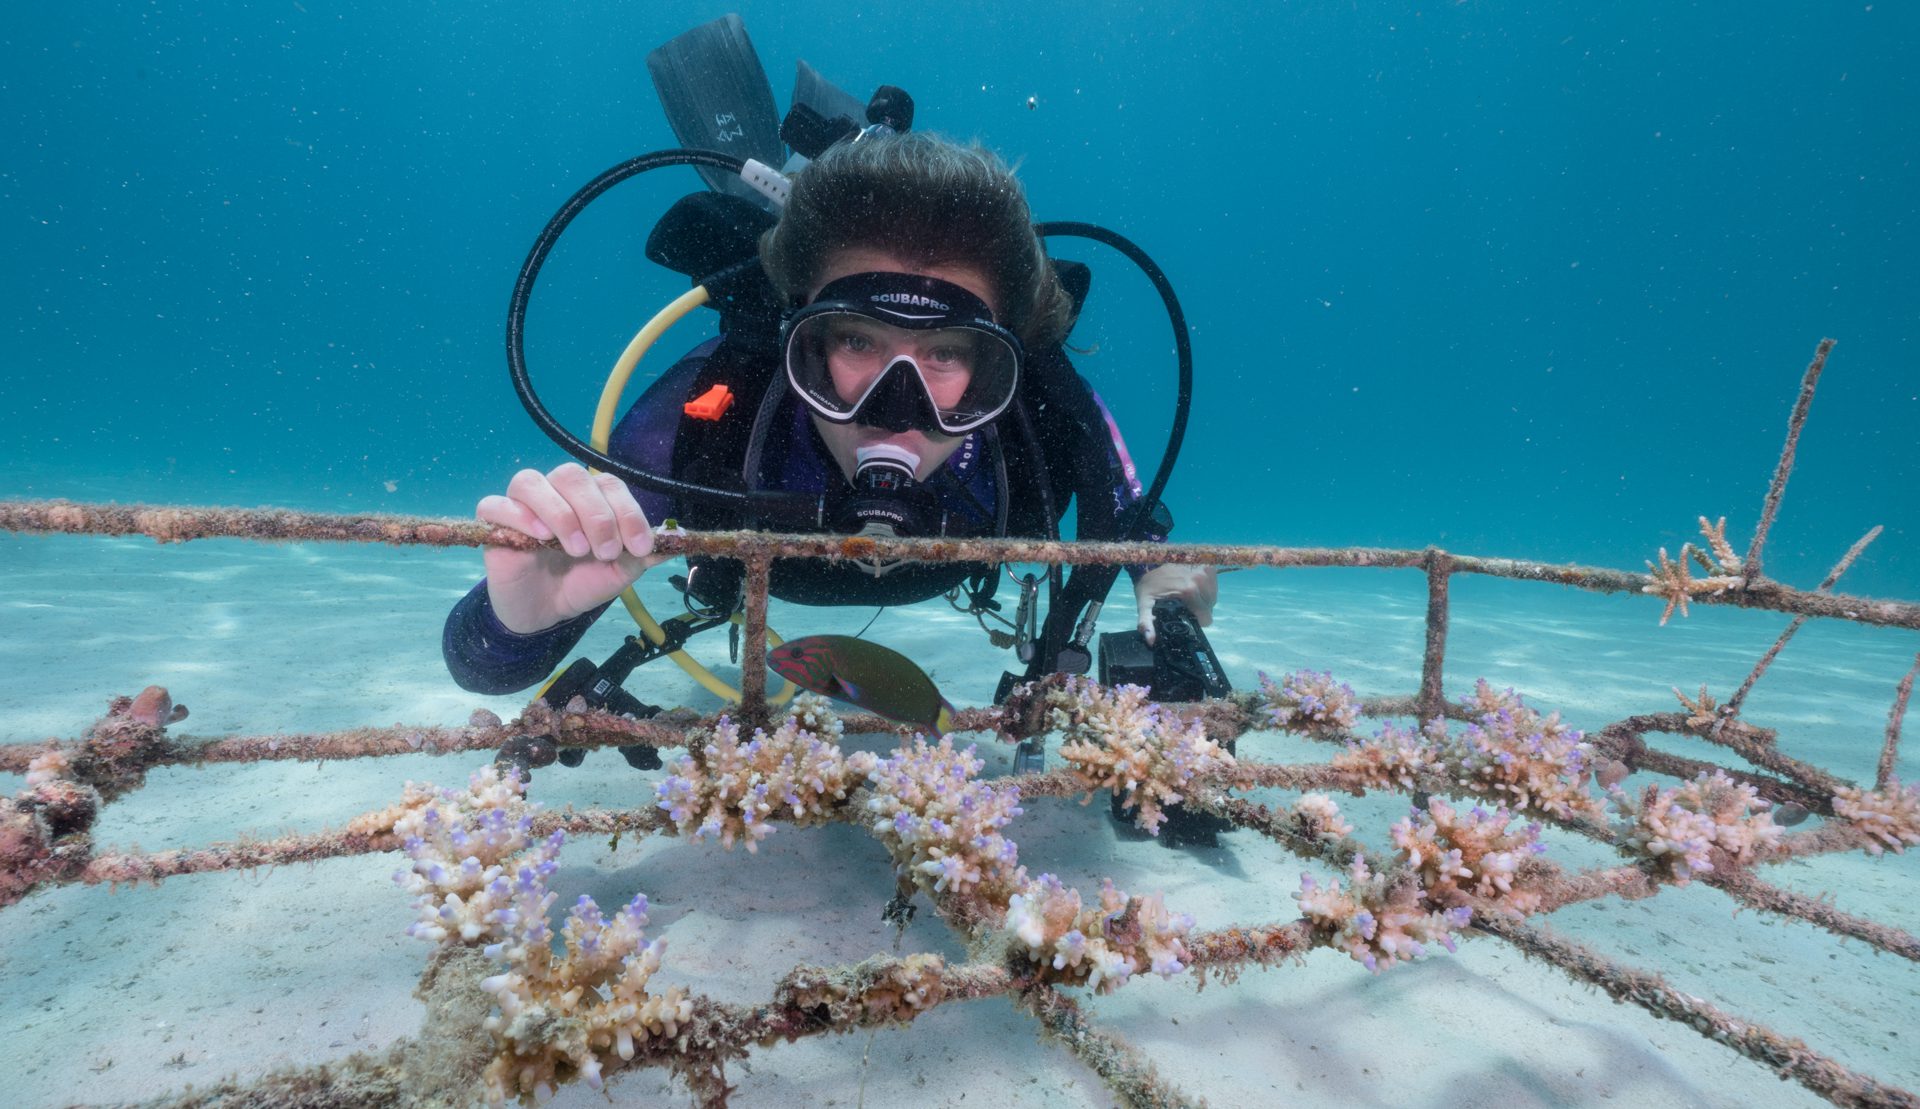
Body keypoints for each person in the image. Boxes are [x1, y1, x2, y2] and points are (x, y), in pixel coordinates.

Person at [442, 131, 1218, 705]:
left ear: (998, 370)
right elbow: (486, 665)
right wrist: (521, 617)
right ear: (796, 342)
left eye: (946, 352)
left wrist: (1169, 585)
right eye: (853, 340)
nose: (894, 411)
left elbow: (1143, 538)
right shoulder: (720, 409)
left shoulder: (1044, 416)